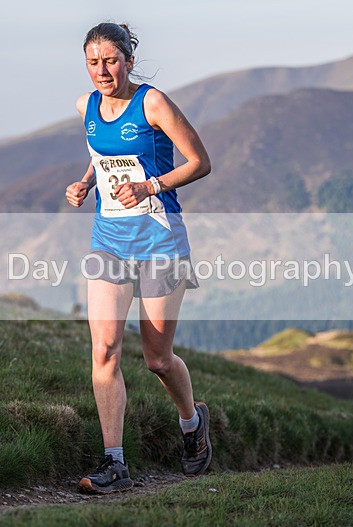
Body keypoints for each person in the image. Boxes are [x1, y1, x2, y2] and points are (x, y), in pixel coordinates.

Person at [66, 22, 212, 494]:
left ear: (128, 59)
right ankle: (115, 464)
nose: (102, 71)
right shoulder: (85, 106)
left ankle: (192, 425)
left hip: (160, 241)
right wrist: (86, 183)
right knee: (105, 350)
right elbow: (101, 150)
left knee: (156, 358)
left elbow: (198, 161)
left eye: (111, 60)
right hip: (108, 240)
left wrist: (149, 185)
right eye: (93, 62)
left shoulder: (153, 102)